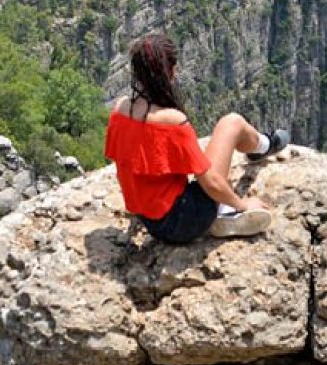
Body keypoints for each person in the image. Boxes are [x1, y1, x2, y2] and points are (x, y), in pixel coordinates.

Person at [104, 32, 289, 243]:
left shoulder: (119, 110)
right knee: (231, 123)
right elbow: (210, 182)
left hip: (151, 222)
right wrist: (242, 205)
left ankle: (261, 149)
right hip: (184, 220)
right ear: (171, 72)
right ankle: (263, 147)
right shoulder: (173, 121)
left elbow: (127, 165)